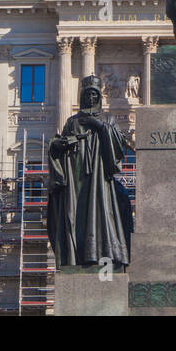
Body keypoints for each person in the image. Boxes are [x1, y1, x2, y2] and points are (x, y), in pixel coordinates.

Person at [46, 76, 131, 268]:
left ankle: (101, 253)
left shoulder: (107, 118)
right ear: (82, 96)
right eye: (88, 93)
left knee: (101, 210)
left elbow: (119, 145)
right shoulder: (72, 121)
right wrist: (58, 144)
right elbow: (58, 146)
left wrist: (99, 126)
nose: (91, 97)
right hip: (76, 174)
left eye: (94, 94)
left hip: (99, 176)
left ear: (99, 96)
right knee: (74, 212)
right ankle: (77, 256)